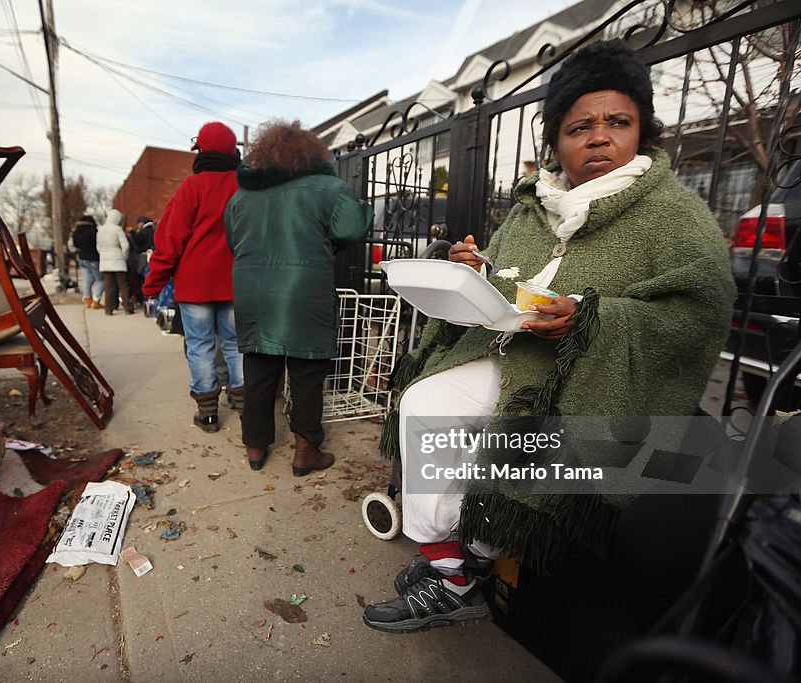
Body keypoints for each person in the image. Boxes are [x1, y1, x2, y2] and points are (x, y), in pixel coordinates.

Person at [361, 39, 735, 633]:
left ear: (643, 129)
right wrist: (476, 271)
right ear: (556, 140)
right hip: (508, 350)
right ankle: (450, 565)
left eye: (618, 121)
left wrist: (593, 318)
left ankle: (473, 560)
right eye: (578, 125)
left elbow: (699, 313)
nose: (598, 136)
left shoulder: (674, 214)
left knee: (515, 438)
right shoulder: (532, 206)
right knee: (424, 403)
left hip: (584, 373)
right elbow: (510, 283)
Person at [225, 120, 372, 474]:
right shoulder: (330, 189)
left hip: (253, 290)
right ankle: (306, 450)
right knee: (307, 371)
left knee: (258, 368)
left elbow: (234, 241)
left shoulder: (241, 196)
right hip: (305, 289)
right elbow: (352, 228)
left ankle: (256, 447)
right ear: (310, 154)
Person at [143, 122, 244, 432]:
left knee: (200, 346)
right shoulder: (246, 188)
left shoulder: (191, 187)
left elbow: (169, 239)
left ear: (201, 151)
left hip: (195, 285)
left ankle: (209, 414)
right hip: (236, 282)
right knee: (235, 345)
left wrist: (153, 282)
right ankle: (243, 406)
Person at [97, 208, 132, 315]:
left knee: (108, 286)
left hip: (105, 260)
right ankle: (127, 307)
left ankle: (108, 309)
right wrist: (123, 256)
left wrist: (103, 255)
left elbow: (98, 246)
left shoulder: (101, 229)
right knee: (123, 285)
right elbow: (125, 246)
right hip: (117, 259)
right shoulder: (117, 229)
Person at [71, 214, 104, 309]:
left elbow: (75, 245)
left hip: (82, 258)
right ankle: (96, 300)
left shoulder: (76, 231)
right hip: (93, 258)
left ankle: (87, 298)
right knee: (101, 280)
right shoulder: (93, 231)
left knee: (88, 279)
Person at [129, 215, 155, 306]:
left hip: (143, 256)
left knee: (141, 277)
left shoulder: (144, 232)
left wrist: (132, 233)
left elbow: (138, 241)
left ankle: (143, 298)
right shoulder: (153, 230)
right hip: (151, 255)